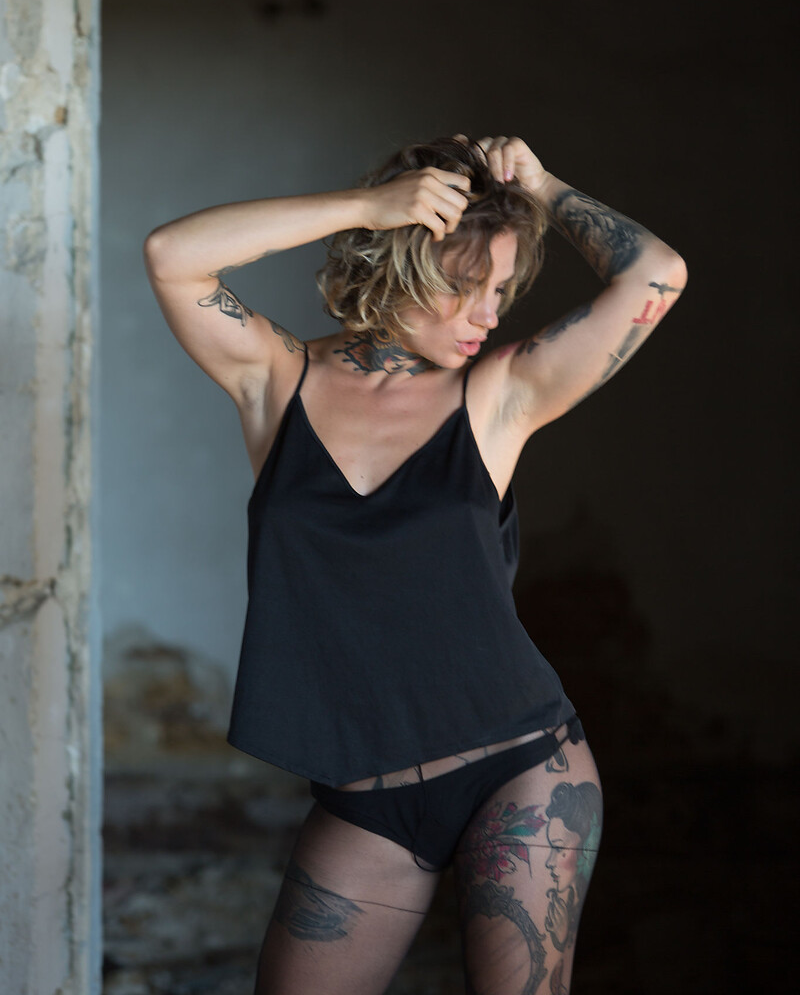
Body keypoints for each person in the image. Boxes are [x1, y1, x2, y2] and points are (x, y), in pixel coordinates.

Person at [144, 133, 686, 995]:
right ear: (403, 259)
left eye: (501, 291)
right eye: (467, 287)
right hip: (369, 793)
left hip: (522, 768)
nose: (489, 315)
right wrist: (367, 206)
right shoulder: (278, 379)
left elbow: (657, 272)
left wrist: (541, 186)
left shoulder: (499, 393)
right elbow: (173, 255)